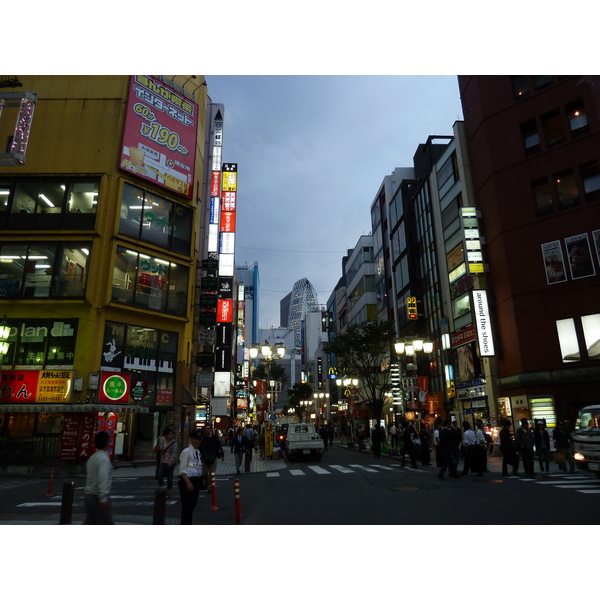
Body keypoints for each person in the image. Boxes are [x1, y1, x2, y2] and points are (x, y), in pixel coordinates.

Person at [83, 430, 114, 524]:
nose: (109, 442)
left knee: (91, 522)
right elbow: (103, 479)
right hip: (97, 496)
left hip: (89, 494)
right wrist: (103, 498)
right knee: (106, 523)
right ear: (106, 443)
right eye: (109, 440)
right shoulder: (103, 459)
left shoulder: (92, 458)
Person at [177, 430, 203, 525]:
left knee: (192, 506)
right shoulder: (186, 452)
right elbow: (182, 470)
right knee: (187, 507)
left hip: (196, 481)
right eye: (196, 439)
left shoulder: (198, 452)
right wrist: (188, 483)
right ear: (191, 440)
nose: (198, 441)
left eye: (200, 439)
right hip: (187, 482)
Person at [199, 425, 224, 490]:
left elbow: (219, 446)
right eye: (206, 429)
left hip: (213, 456)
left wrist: (222, 455)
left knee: (212, 473)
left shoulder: (215, 438)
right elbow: (200, 448)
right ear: (204, 430)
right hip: (205, 457)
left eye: (209, 429)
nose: (208, 430)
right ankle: (207, 483)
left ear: (211, 429)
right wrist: (200, 455)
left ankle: (210, 487)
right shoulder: (203, 439)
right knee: (204, 473)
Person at [157, 427, 177, 497]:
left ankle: (168, 491)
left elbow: (174, 452)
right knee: (159, 475)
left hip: (170, 462)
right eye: (170, 434)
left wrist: (171, 460)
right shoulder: (163, 442)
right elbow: (161, 452)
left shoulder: (174, 443)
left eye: (172, 434)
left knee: (170, 477)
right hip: (163, 461)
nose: (171, 435)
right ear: (166, 435)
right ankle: (162, 487)